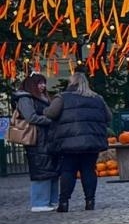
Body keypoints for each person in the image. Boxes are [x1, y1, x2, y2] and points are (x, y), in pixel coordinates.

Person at [44, 71, 112, 212]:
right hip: (91, 141)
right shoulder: (97, 98)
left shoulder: (62, 97)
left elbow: (51, 113)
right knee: (89, 170)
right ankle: (90, 201)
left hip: (68, 141)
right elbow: (108, 116)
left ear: (71, 82)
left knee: (68, 171)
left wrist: (45, 109)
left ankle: (64, 202)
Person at [12, 73, 57, 212]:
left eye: (44, 83)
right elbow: (30, 117)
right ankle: (40, 202)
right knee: (40, 169)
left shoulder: (43, 98)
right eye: (40, 83)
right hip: (36, 138)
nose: (43, 86)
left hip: (46, 137)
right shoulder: (25, 98)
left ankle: (51, 200)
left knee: (51, 169)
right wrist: (49, 121)